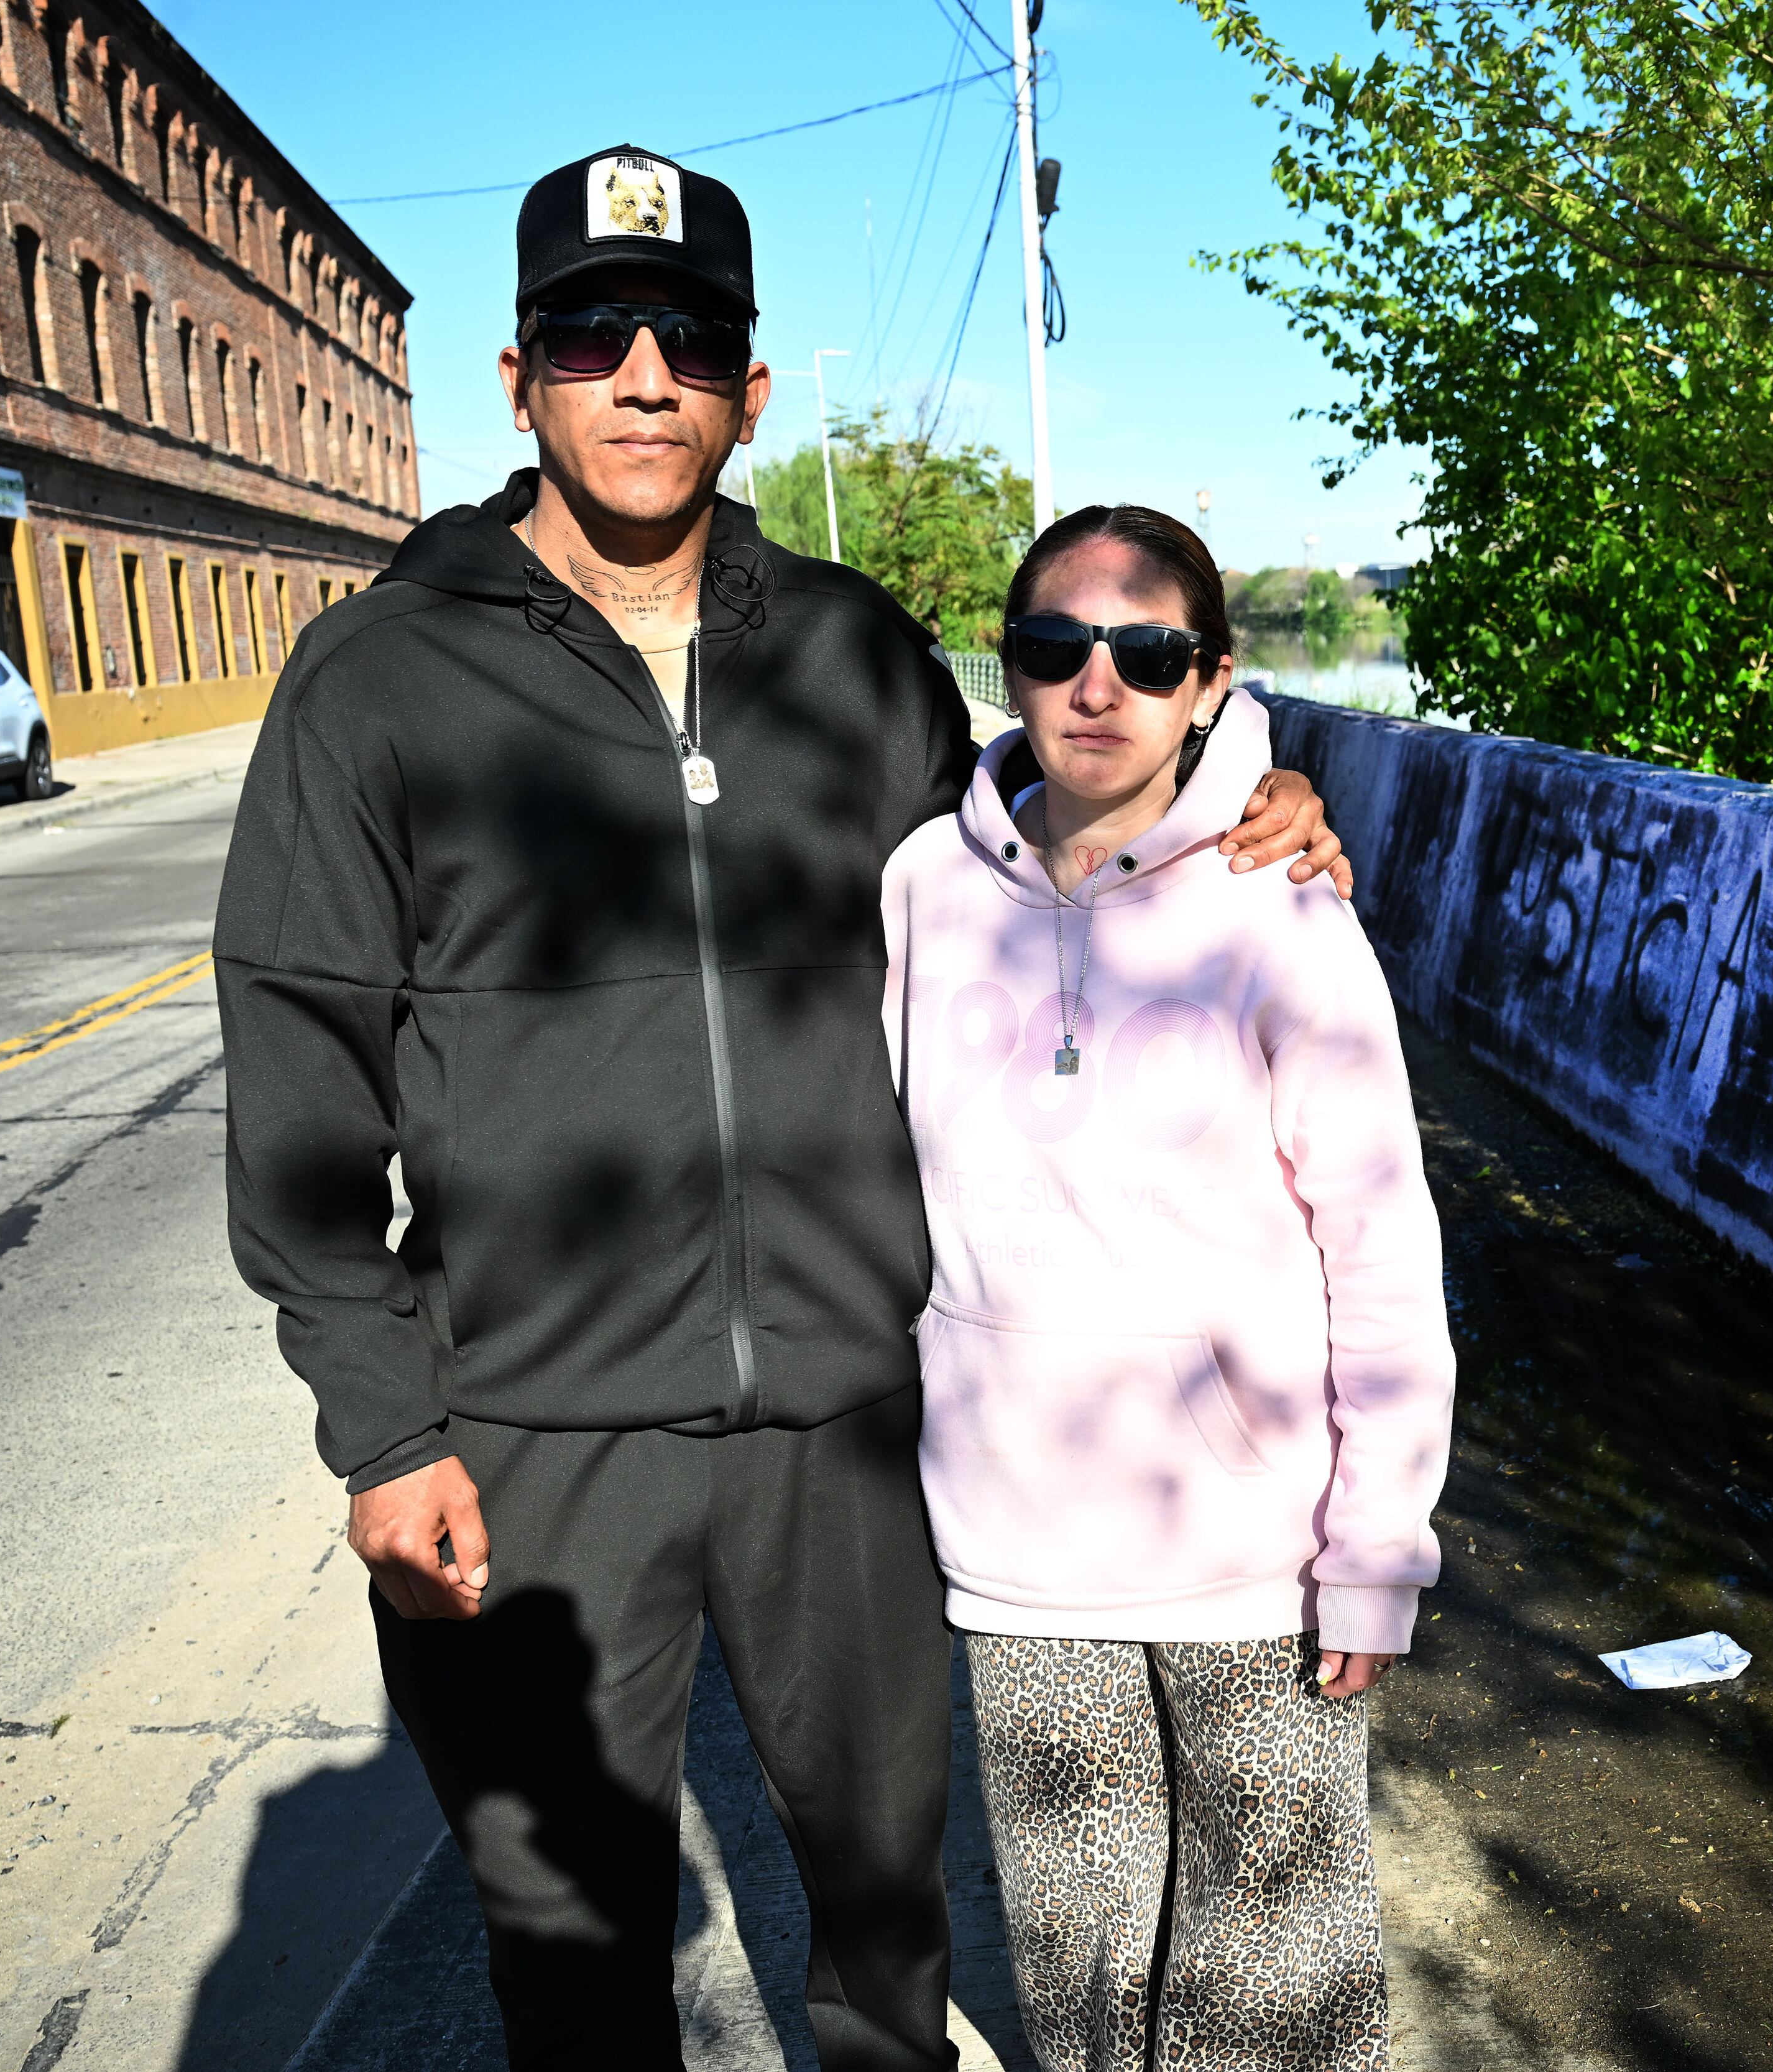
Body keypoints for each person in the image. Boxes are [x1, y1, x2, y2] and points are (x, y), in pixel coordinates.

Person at [213, 148, 1345, 2071]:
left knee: (889, 1912)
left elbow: (1043, 825)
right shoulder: (374, 679)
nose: (642, 370)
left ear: (750, 390)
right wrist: (383, 1427)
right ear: (519, 377)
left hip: (851, 1408)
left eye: (691, 337)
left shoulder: (847, 652)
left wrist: (1249, 782)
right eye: (593, 330)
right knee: (571, 1944)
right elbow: (300, 1069)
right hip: (536, 1430)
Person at [878, 505, 1453, 2072]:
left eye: (1145, 652)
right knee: (1079, 1994)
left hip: (1250, 1561)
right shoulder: (926, 887)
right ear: (1008, 670)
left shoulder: (1282, 906)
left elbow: (1383, 1252)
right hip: (1019, 1558)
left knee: (1271, 1998)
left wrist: (1377, 1548)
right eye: (1056, 648)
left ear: (1210, 680)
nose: (1096, 686)